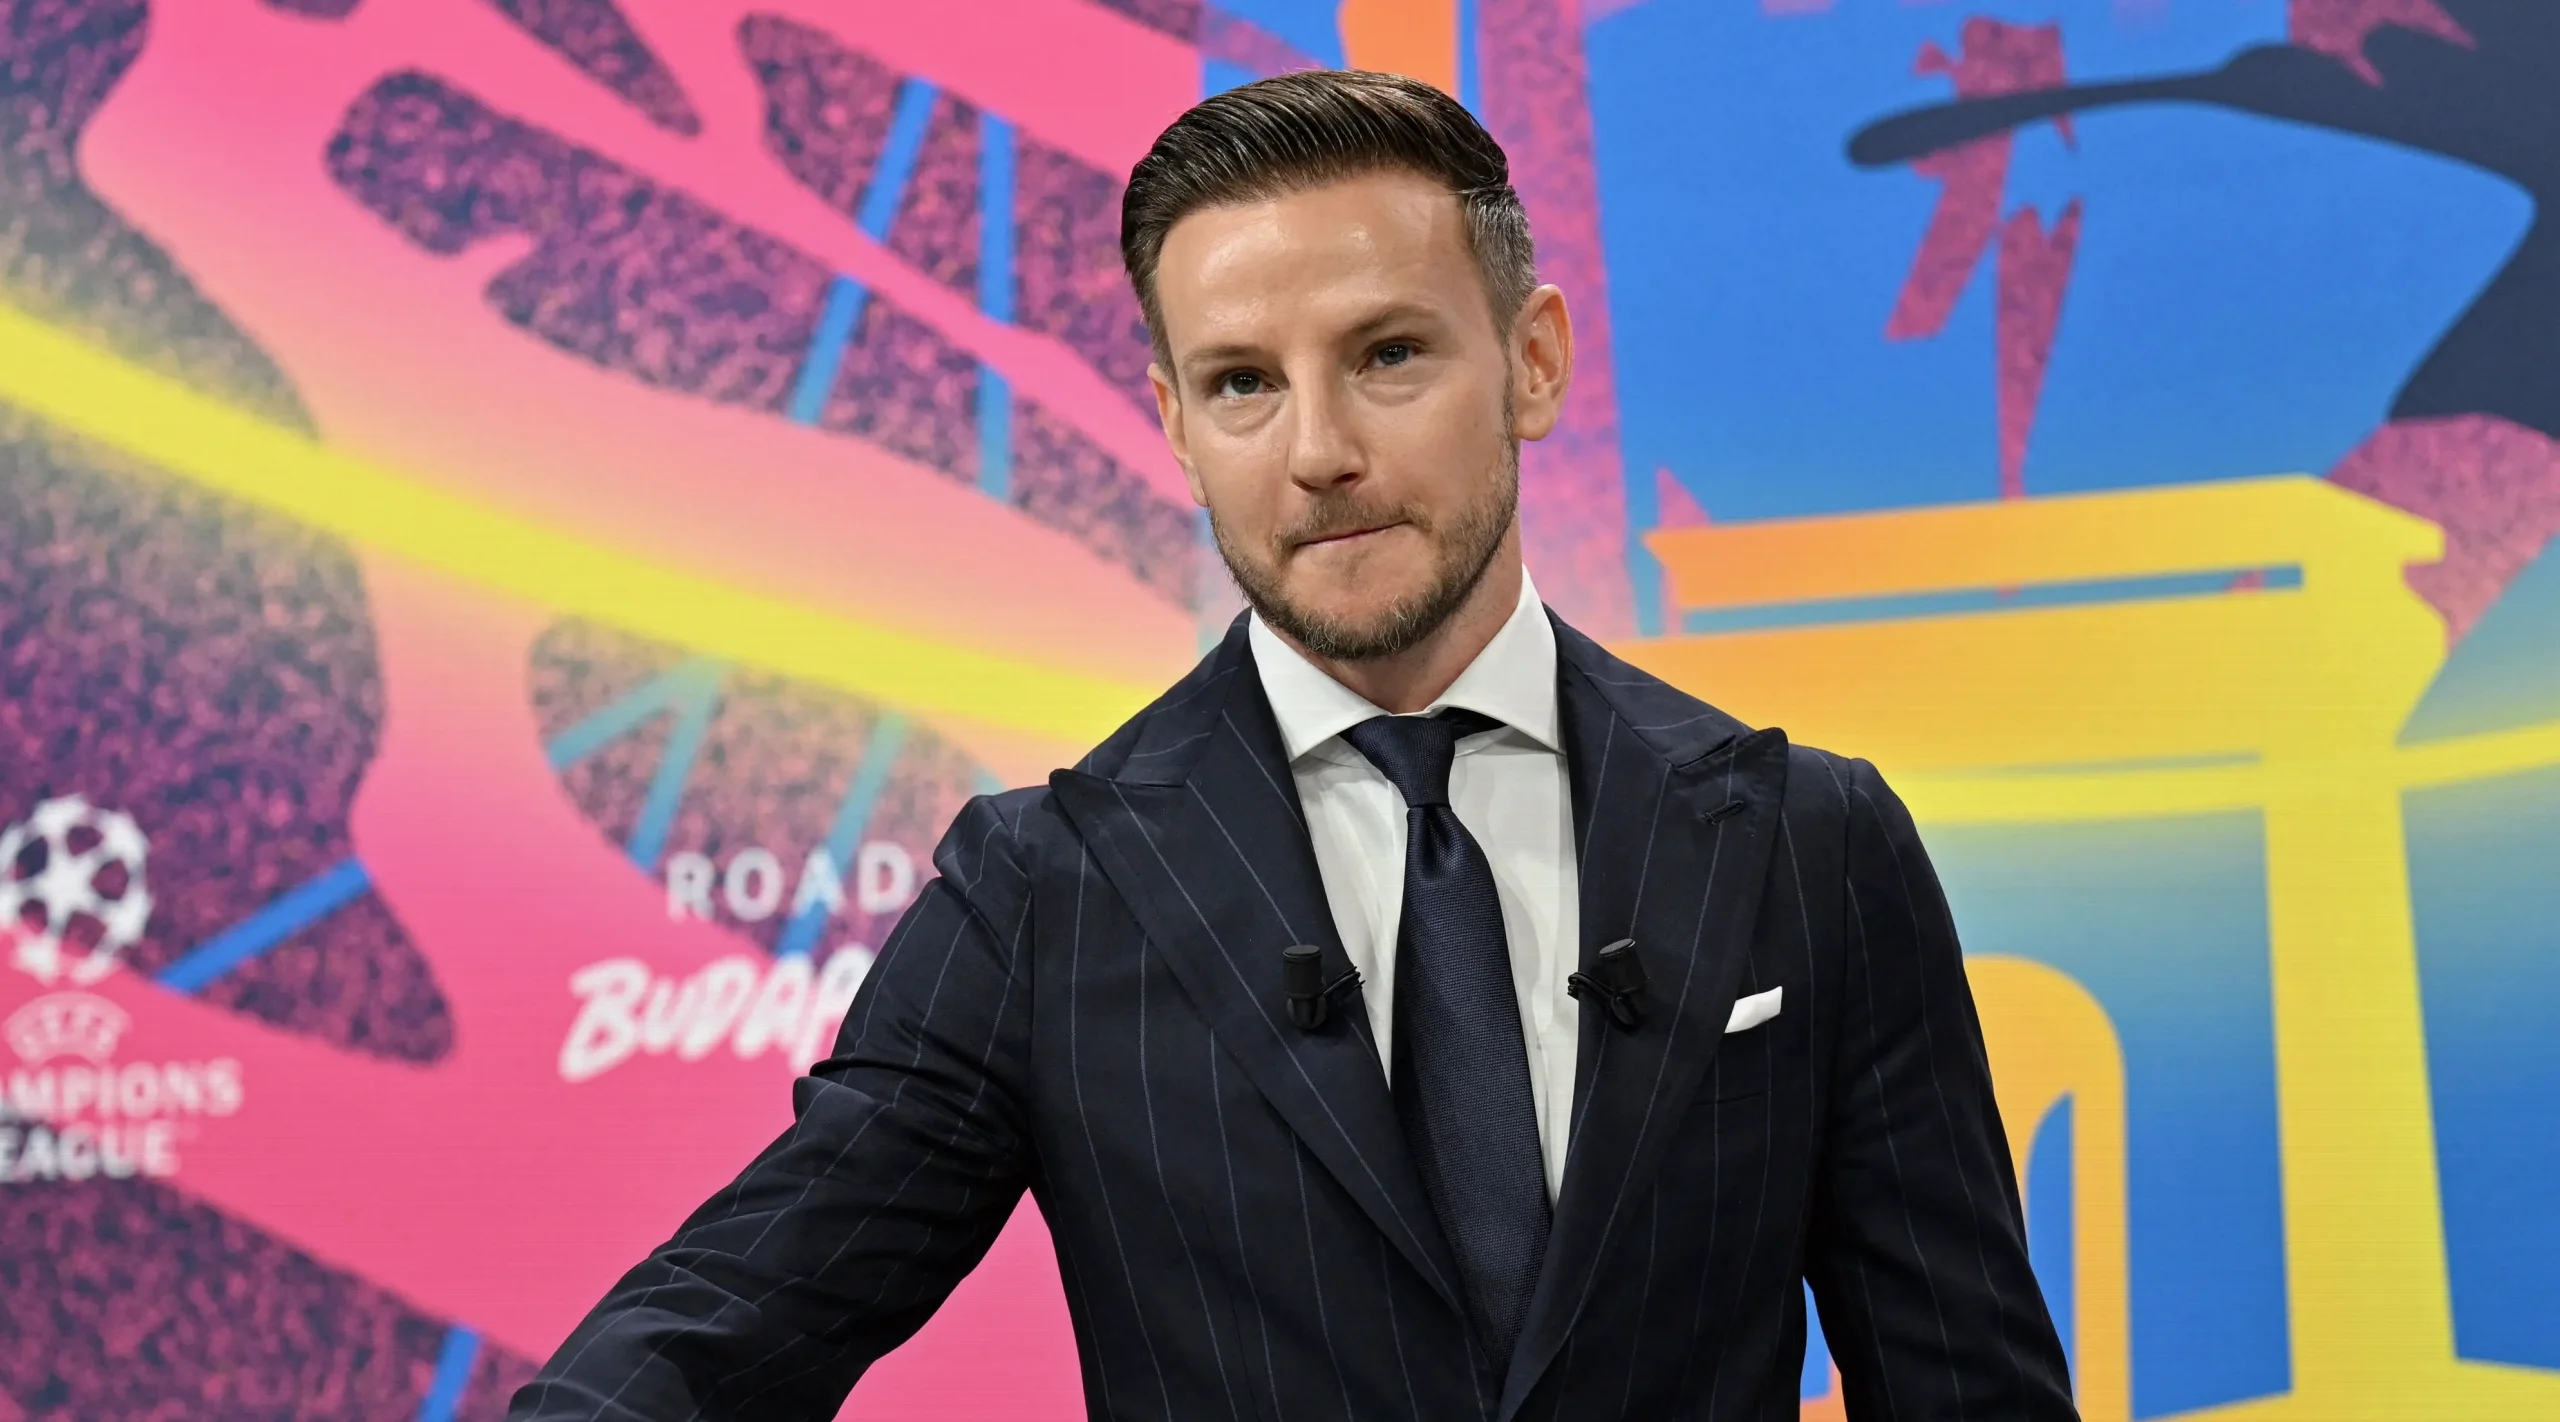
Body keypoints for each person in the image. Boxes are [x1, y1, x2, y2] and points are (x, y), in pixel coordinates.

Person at [512, 70, 2078, 1422]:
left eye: (1388, 354)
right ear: (1177, 425)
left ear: (1532, 359)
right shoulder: (1049, 890)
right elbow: (727, 1317)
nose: (1320, 451)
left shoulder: (1809, 843)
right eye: (1243, 383)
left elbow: (1970, 1385)